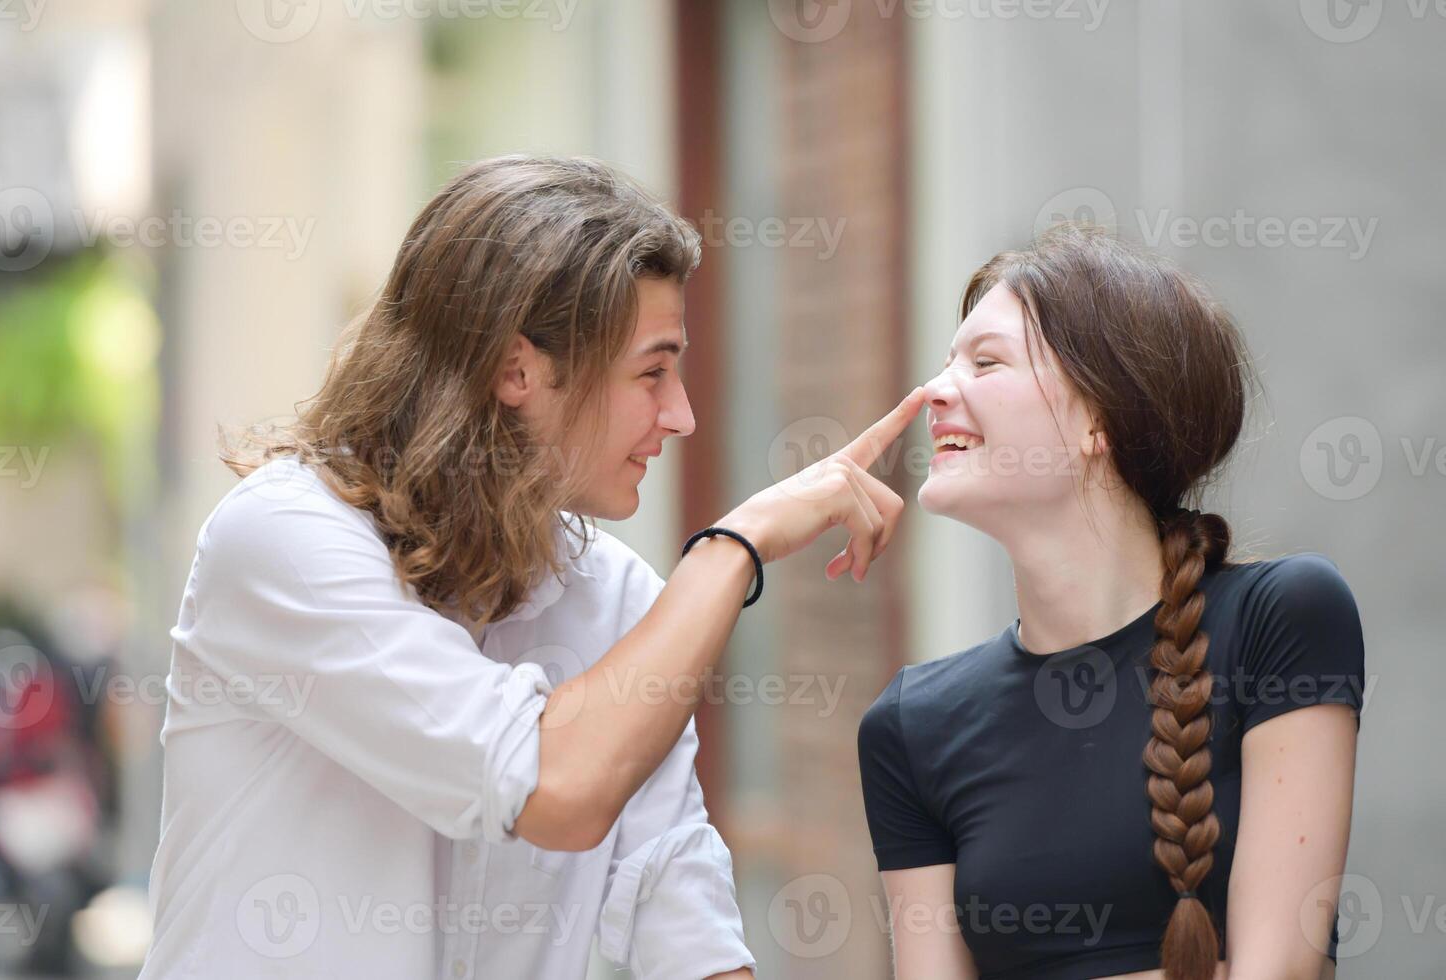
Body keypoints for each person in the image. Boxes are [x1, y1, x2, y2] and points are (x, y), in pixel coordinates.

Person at [138, 154, 922, 979]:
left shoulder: (617, 601)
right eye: (652, 371)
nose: (681, 414)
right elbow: (552, 785)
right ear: (517, 370)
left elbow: (679, 912)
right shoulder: (284, 539)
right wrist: (738, 545)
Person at [858, 225, 1365, 980]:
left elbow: (1280, 972)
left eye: (985, 362)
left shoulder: (1281, 619)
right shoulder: (911, 725)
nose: (934, 391)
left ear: (1101, 418)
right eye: (944, 362)